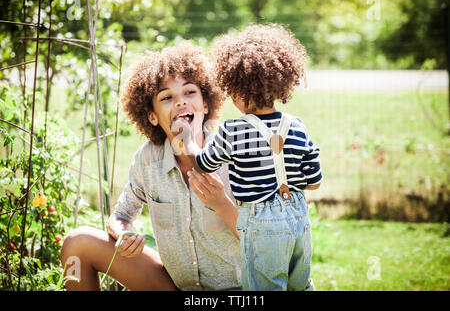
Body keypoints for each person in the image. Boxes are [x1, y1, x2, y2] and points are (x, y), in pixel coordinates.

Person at [60, 42, 242, 291]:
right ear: (152, 116)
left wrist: (222, 205)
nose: (180, 102)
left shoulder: (235, 151)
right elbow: (121, 215)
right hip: (180, 288)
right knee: (77, 242)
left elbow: (265, 242)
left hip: (241, 291)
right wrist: (123, 233)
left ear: (206, 104)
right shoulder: (148, 160)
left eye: (190, 92)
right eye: (167, 97)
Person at [176, 24, 322, 291]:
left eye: (231, 93)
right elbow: (314, 182)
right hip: (299, 218)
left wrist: (187, 137)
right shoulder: (297, 126)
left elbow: (204, 163)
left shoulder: (233, 130)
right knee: (301, 285)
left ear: (240, 90)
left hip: (262, 226)